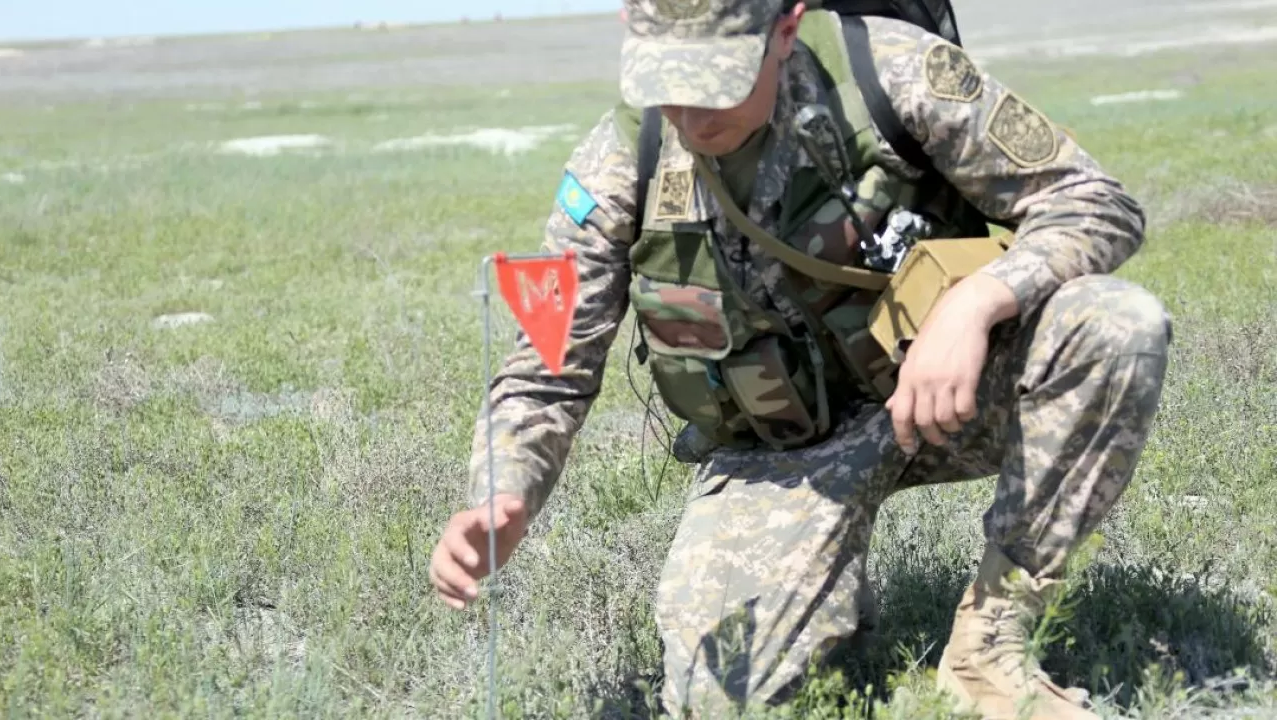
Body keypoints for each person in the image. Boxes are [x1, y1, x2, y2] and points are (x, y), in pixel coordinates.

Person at [429, 0, 1172, 717]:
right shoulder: (616, 167)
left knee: (1112, 325)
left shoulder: (894, 72)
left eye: (717, 80)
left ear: (786, 26)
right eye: (665, 82)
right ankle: (827, 603)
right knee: (729, 702)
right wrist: (505, 488)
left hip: (943, 395)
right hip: (780, 455)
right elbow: (544, 372)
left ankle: (990, 649)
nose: (690, 114)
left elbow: (1094, 201)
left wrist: (977, 304)